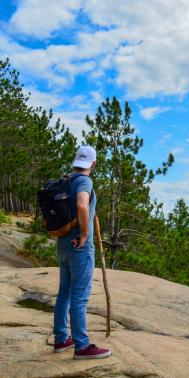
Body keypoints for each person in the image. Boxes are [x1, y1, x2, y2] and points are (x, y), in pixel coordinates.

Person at [53, 145, 112, 359]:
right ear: (93, 164)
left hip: (64, 243)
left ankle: (61, 339)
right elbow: (82, 205)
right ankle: (82, 346)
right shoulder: (85, 181)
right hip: (80, 245)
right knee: (79, 295)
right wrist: (85, 233)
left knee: (65, 293)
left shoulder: (66, 180)